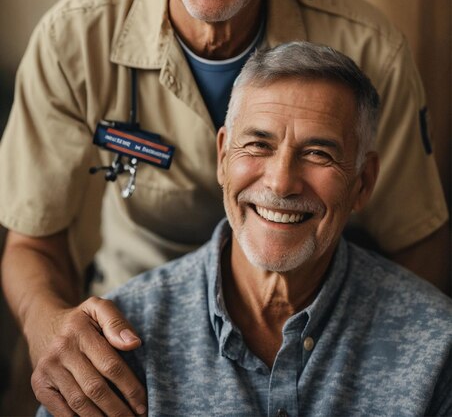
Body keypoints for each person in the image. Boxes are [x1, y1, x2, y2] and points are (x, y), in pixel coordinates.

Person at [0, 0, 449, 417]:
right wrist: (49, 324)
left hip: (320, 314)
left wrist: (387, 372)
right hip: (140, 328)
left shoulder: (369, 49)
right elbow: (31, 242)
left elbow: (415, 241)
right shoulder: (75, 39)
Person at [35, 41, 452, 417]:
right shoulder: (118, 343)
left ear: (362, 182)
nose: (280, 182)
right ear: (222, 157)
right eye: (258, 145)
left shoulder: (438, 343)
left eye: (318, 152)